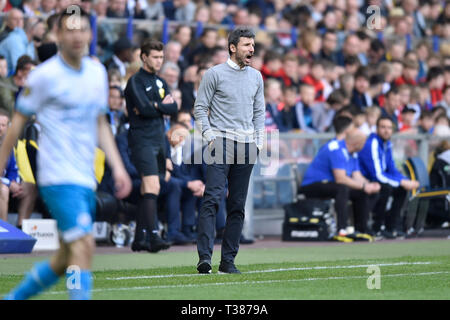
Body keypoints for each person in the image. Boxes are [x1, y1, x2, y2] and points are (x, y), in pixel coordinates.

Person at [1, 7, 132, 300]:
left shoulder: (97, 73)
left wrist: (119, 167)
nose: (77, 35)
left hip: (85, 174)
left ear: (90, 33)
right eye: (69, 29)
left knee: (65, 257)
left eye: (82, 29)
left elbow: (100, 123)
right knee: (84, 243)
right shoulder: (44, 76)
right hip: (57, 175)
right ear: (58, 34)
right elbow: (16, 124)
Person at [194, 27, 265, 274]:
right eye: (246, 45)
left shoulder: (256, 77)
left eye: (252, 45)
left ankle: (228, 262)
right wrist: (210, 137)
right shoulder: (214, 74)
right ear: (232, 47)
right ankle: (204, 258)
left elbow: (259, 113)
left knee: (237, 205)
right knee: (212, 199)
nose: (251, 49)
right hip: (220, 142)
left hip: (247, 146)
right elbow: (200, 108)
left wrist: (258, 143)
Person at [124, 39, 177, 253]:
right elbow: (143, 109)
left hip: (158, 139)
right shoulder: (135, 82)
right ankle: (154, 237)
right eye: (155, 57)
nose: (159, 61)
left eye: (161, 57)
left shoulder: (161, 83)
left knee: (150, 189)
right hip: (141, 139)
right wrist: (159, 107)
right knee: (152, 186)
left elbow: (173, 107)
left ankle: (139, 239)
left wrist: (155, 106)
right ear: (144, 57)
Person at [298, 129, 380, 236]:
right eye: (364, 142)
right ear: (357, 143)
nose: (365, 145)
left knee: (362, 192)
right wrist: (364, 186)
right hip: (312, 185)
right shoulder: (336, 149)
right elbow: (340, 178)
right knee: (342, 188)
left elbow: (357, 176)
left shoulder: (353, 153)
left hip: (332, 185)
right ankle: (342, 228)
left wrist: (370, 185)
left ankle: (362, 229)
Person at [358, 116, 420, 238]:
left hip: (381, 178)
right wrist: (401, 182)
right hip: (367, 179)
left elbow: (392, 169)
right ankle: (377, 226)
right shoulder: (373, 143)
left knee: (402, 189)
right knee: (386, 188)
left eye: (389, 128)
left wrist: (405, 180)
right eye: (383, 127)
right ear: (377, 129)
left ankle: (391, 227)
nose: (386, 131)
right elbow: (377, 174)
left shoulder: (387, 144)